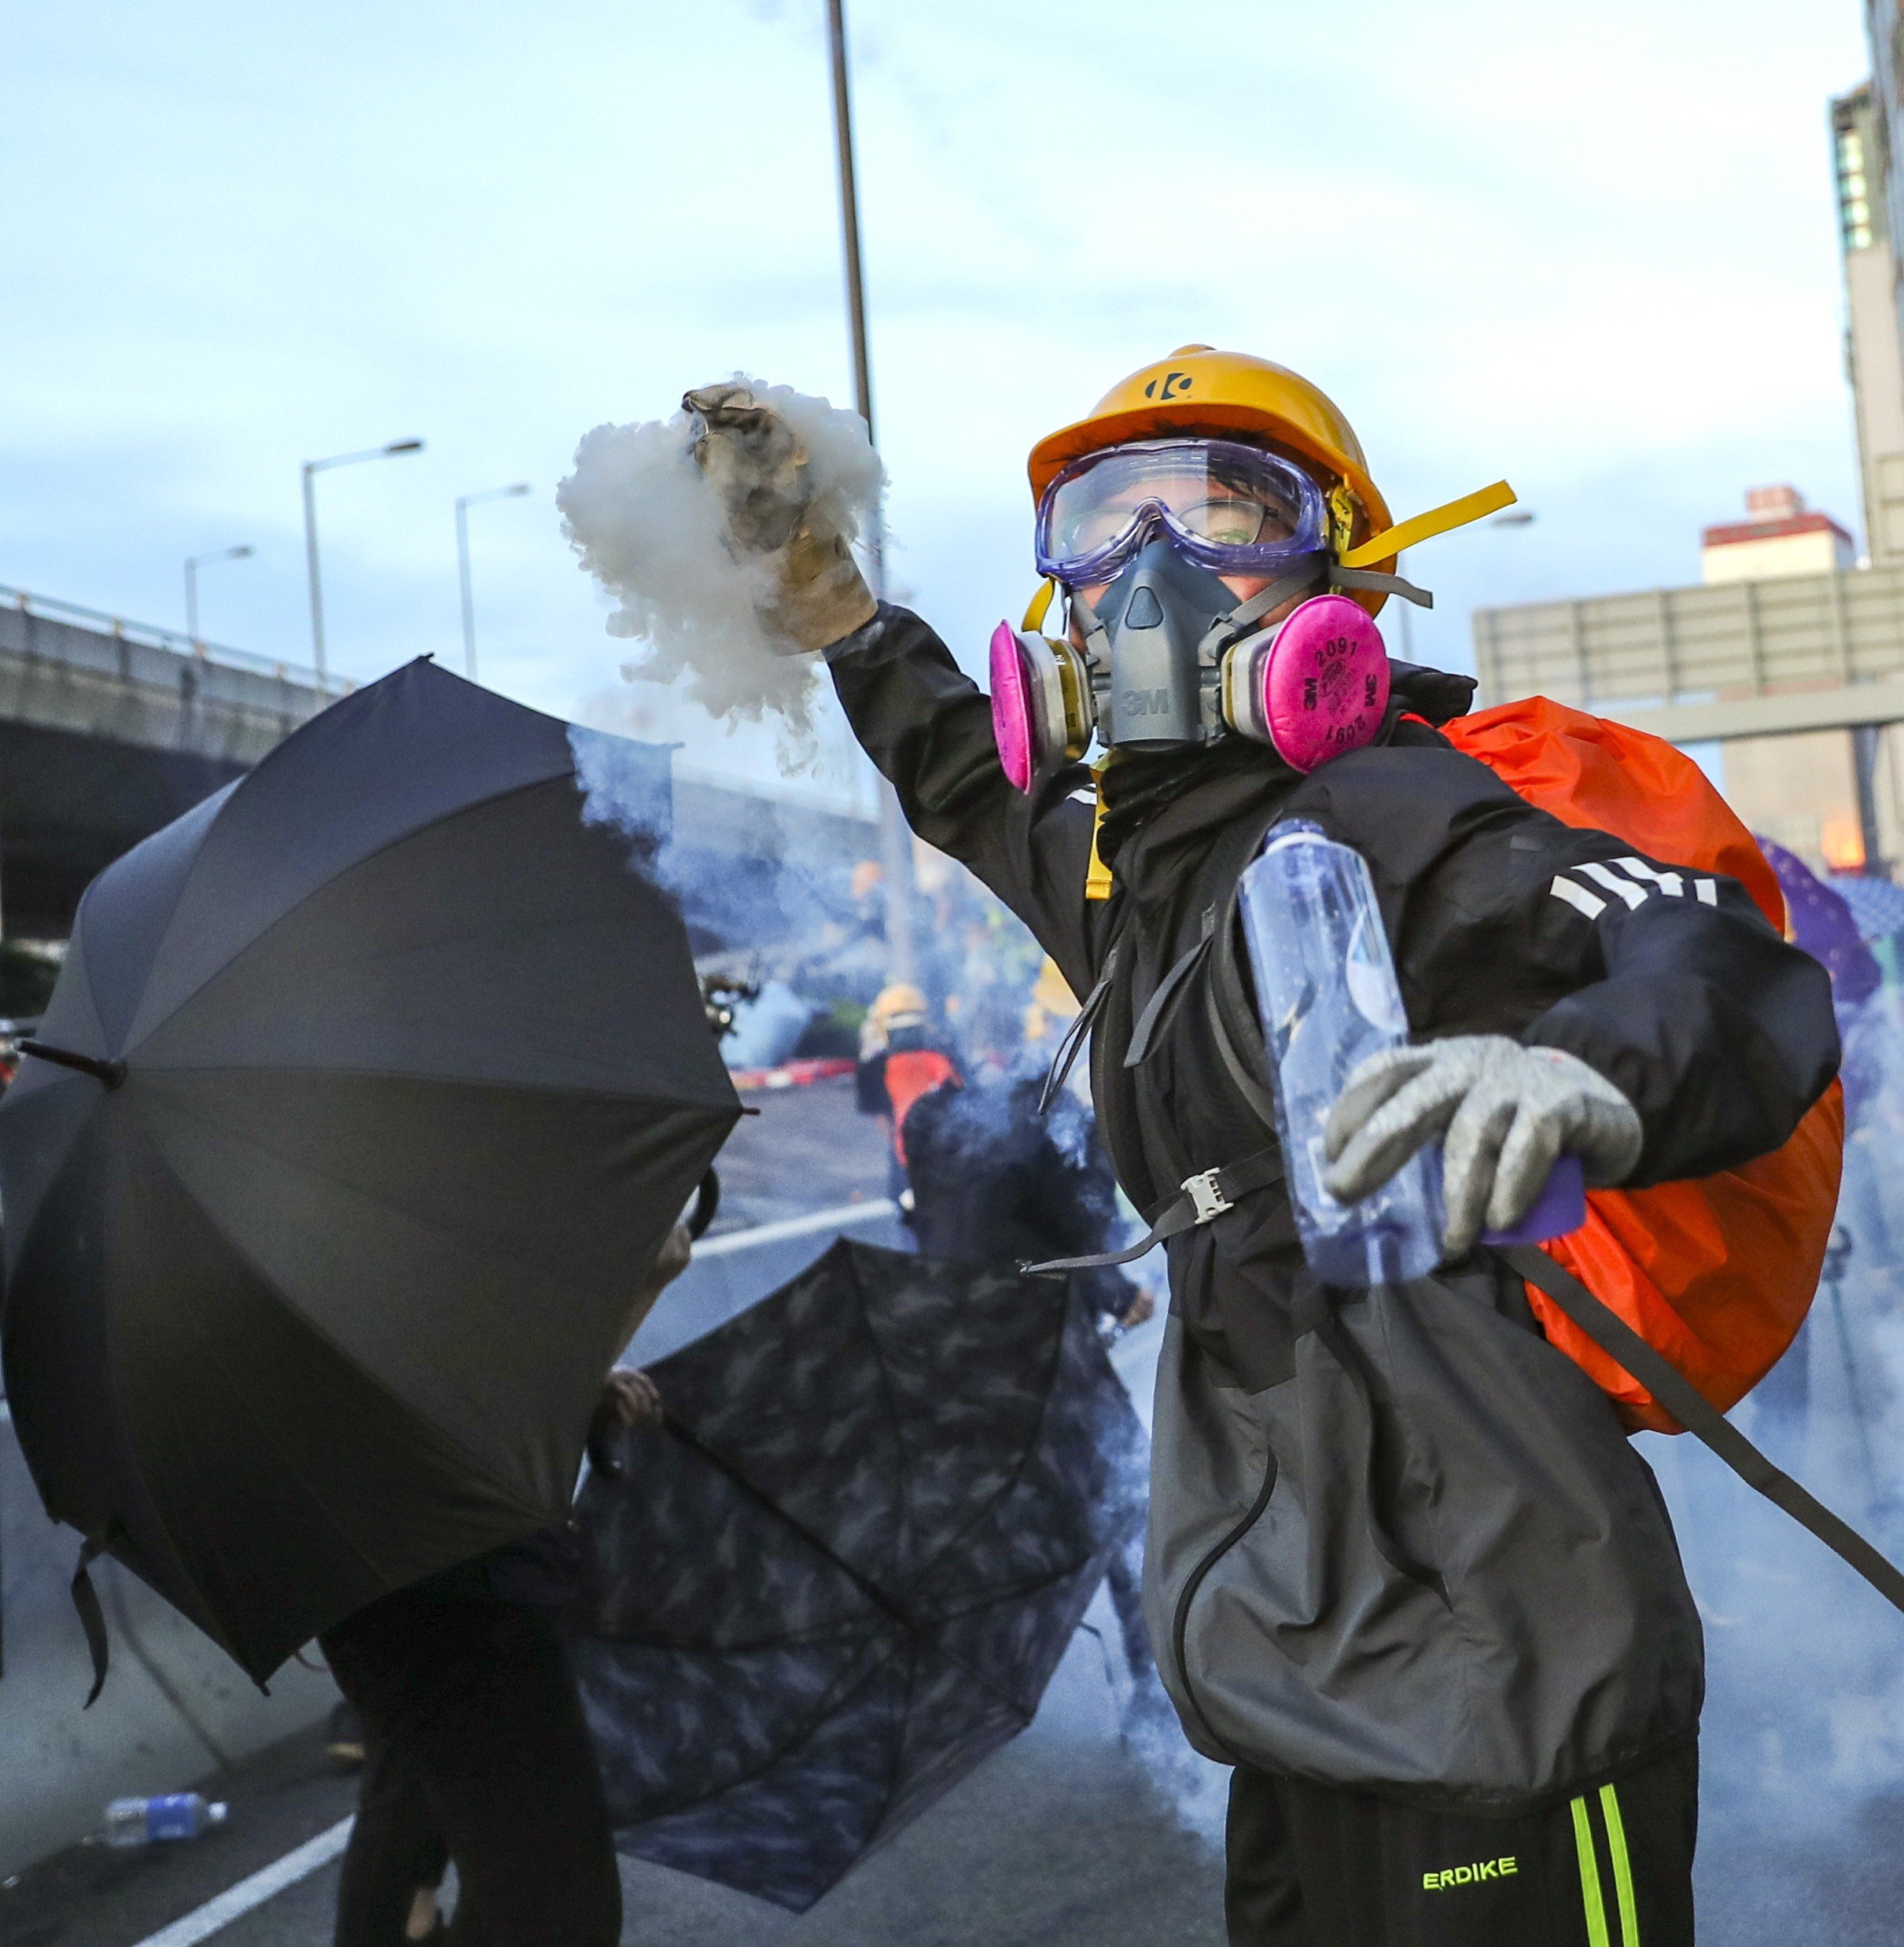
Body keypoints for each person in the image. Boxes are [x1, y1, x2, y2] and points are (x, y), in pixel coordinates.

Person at [679, 354, 1838, 1947]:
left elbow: (1707, 955)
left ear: (1339, 573)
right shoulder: (1144, 879)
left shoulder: (1400, 813)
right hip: (1289, 1661)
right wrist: (838, 613)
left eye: (1223, 510)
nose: (1149, 570)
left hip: (1502, 1664)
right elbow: (962, 776)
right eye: (1100, 525)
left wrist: (1581, 1072)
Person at [323, 1224, 690, 1947]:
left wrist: (590, 1388)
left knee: (419, 1826)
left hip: (387, 1591)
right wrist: (645, 1282)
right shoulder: (388, 1226)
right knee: (556, 1907)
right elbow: (481, 1406)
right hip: (460, 1597)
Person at [856, 981, 959, 1209]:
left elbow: (881, 1118)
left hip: (909, 1155)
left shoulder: (874, 1064)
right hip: (945, 1152)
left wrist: (900, 1144)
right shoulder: (944, 1056)